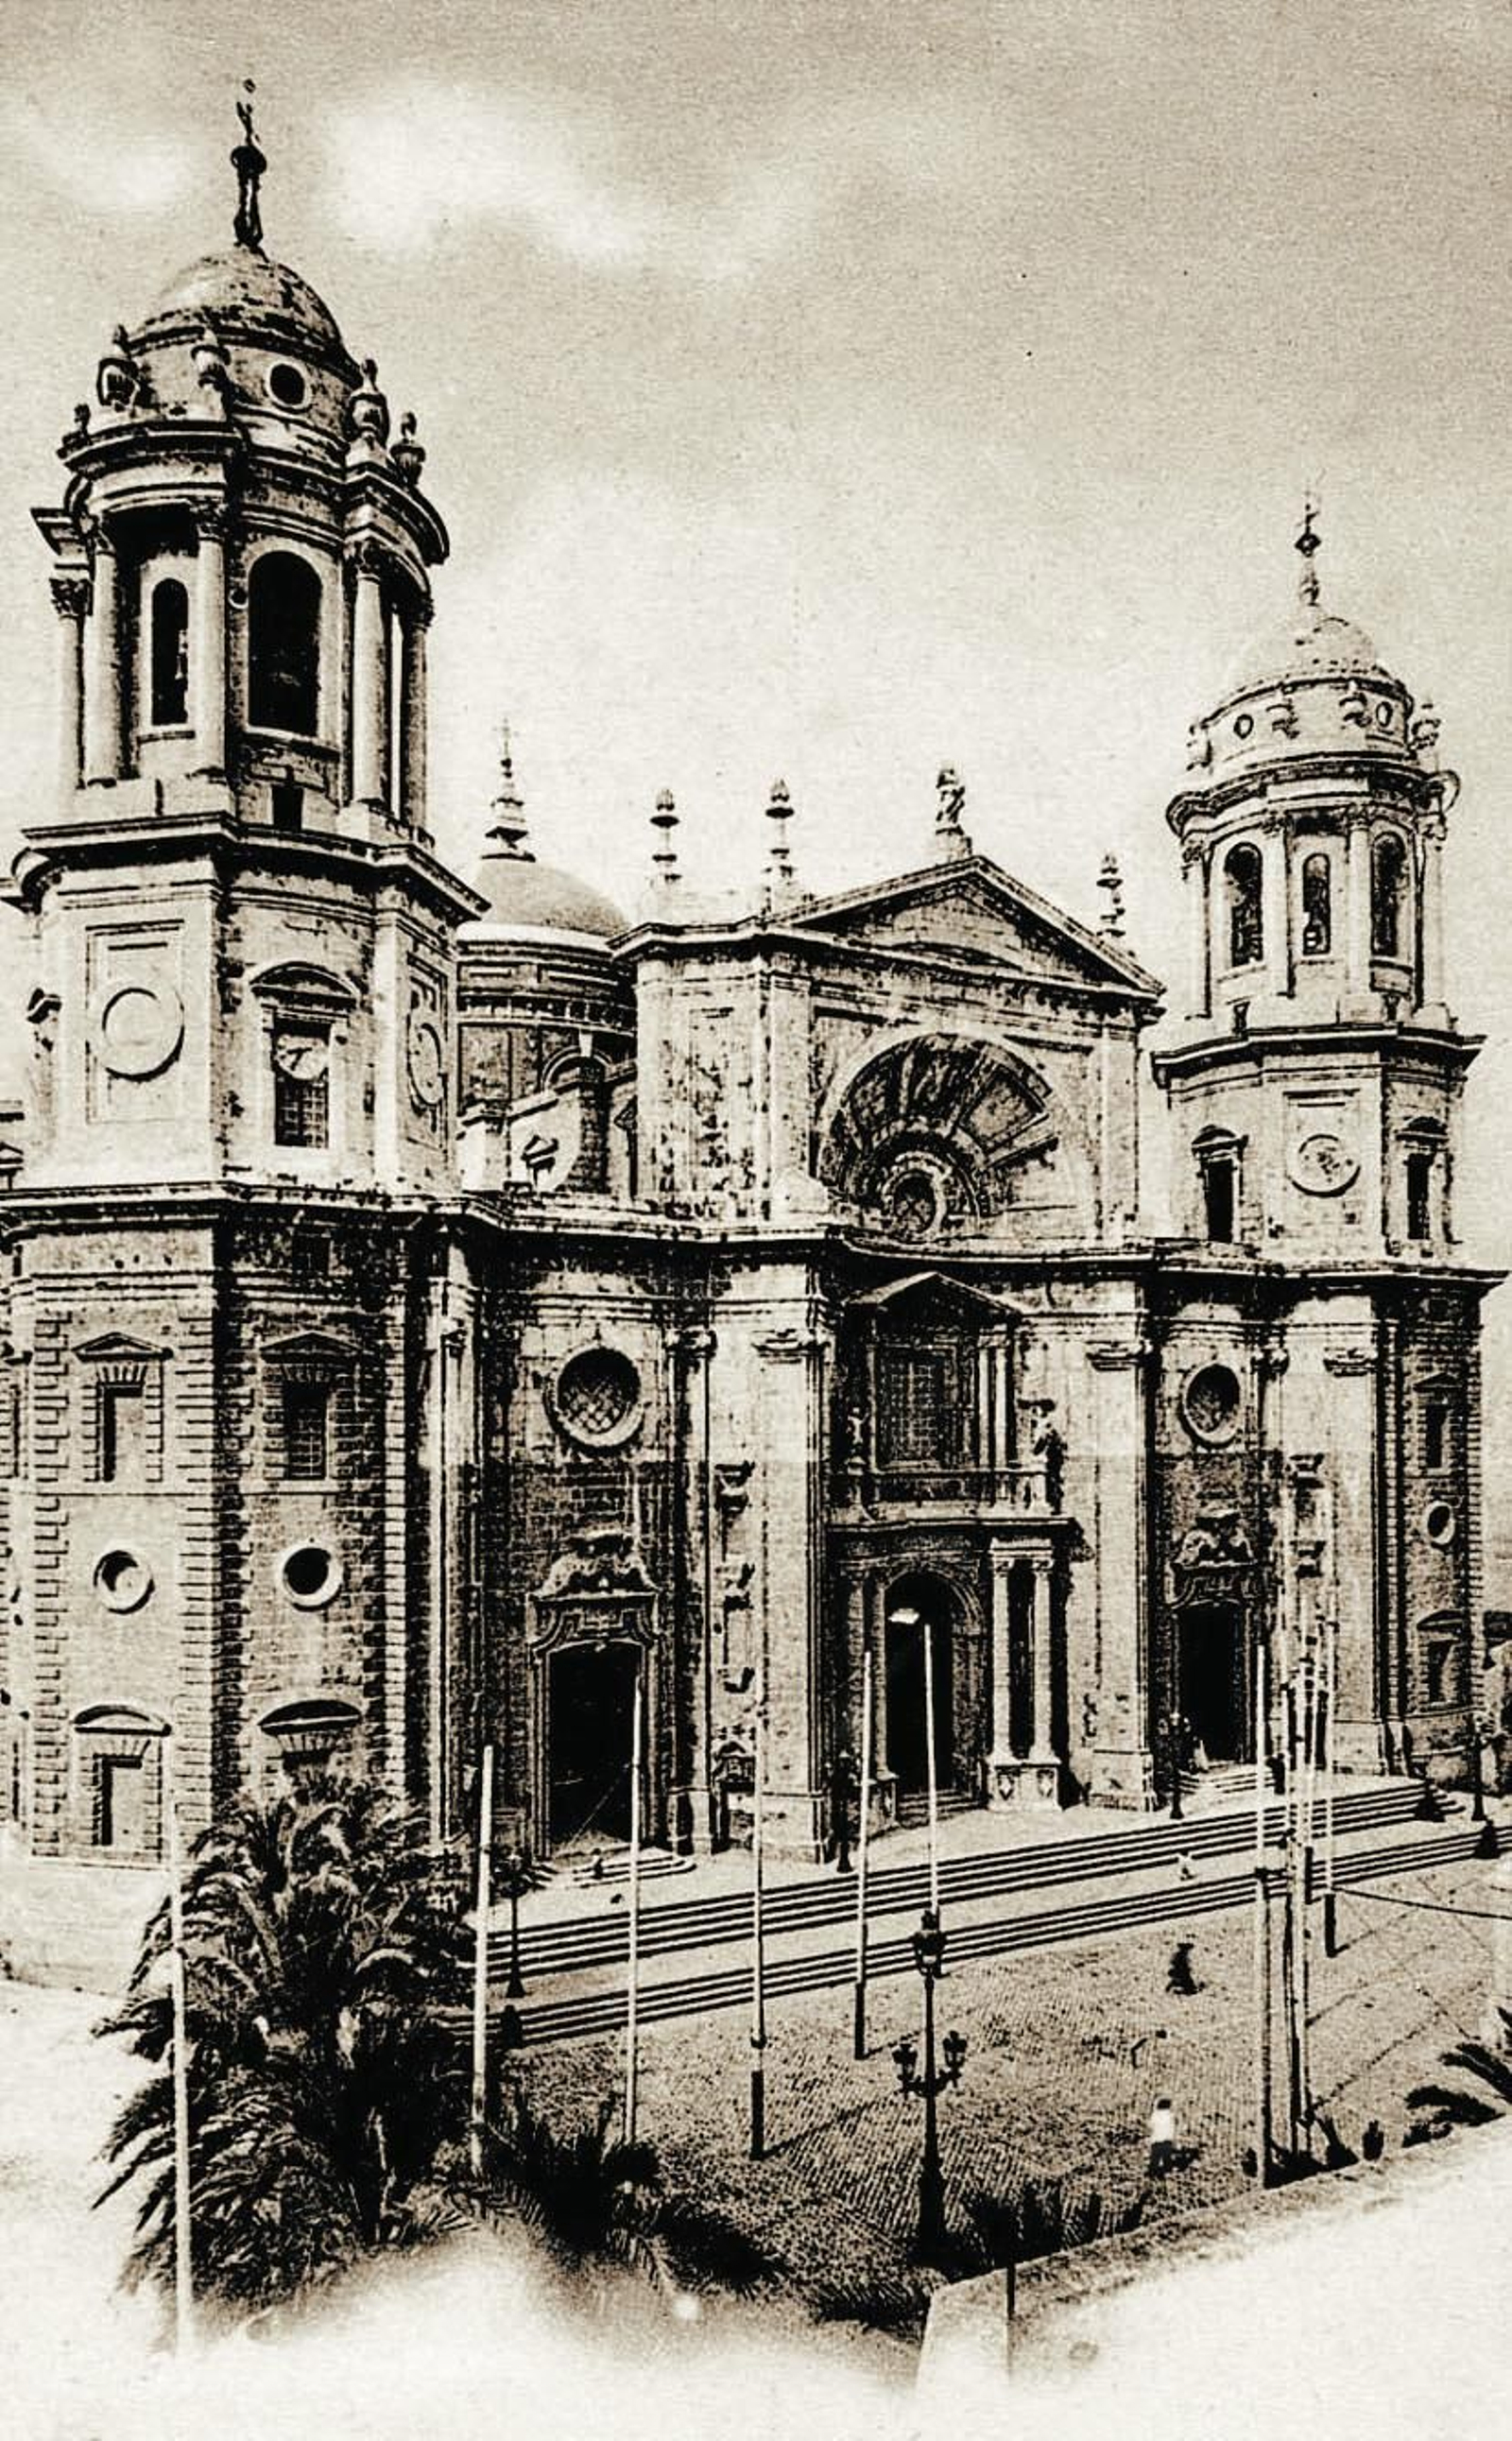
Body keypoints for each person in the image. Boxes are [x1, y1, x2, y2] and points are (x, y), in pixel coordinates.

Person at [1148, 2096, 1177, 2177]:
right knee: (1166, 2156)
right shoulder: (1170, 2116)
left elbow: (1151, 2126)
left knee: (1155, 2157)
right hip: (1167, 2140)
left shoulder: (1155, 2115)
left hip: (1156, 2140)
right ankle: (1167, 2169)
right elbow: (1172, 2128)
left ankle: (1152, 2171)